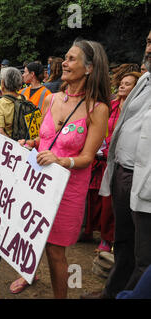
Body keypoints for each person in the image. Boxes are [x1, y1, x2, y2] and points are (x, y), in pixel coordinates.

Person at [18, 39, 111, 298]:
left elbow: (88, 157)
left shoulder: (98, 109)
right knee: (29, 233)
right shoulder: (50, 99)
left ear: (90, 68)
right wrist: (30, 142)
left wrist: (60, 161)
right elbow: (43, 138)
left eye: (71, 59)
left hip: (67, 189)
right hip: (37, 181)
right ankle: (28, 274)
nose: (64, 63)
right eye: (65, 58)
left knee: (55, 251)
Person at [83, 30, 151, 299]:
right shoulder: (145, 81)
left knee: (145, 257)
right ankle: (111, 293)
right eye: (147, 42)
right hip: (124, 175)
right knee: (123, 245)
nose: (149, 49)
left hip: (146, 184)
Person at [83, 71, 141, 252]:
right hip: (101, 158)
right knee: (95, 198)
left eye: (128, 84)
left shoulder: (137, 111)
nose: (122, 86)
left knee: (111, 202)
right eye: (121, 83)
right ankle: (90, 231)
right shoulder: (111, 106)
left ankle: (109, 239)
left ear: (137, 87)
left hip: (121, 160)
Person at [0, 67, 24, 151]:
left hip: (3, 151)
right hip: (21, 147)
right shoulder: (24, 99)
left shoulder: (0, 103)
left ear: (2, 83)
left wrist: (13, 147)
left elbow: (0, 132)